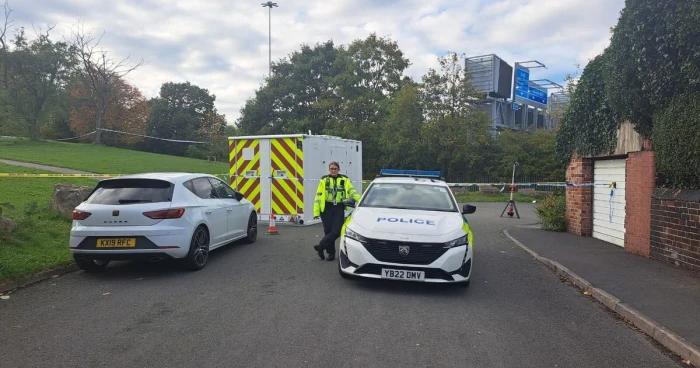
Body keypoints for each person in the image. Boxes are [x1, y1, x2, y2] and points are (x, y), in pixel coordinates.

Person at [313, 161, 361, 261]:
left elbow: (352, 191)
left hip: (339, 207)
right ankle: (331, 254)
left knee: (337, 231)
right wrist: (316, 212)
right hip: (326, 208)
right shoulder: (324, 180)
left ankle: (321, 246)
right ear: (329, 169)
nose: (333, 170)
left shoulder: (345, 179)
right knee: (328, 231)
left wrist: (361, 200)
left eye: (335, 168)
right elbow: (318, 196)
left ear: (339, 169)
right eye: (331, 168)